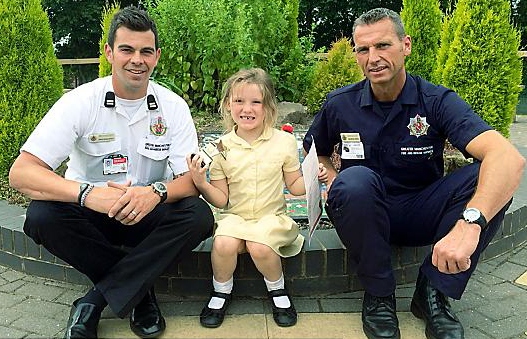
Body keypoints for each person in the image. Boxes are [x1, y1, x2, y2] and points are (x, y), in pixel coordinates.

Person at [303, 7, 525, 339]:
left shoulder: (435, 100)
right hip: (365, 213)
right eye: (363, 49)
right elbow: (314, 150)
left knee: (491, 177)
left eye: (383, 46)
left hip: (422, 210)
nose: (373, 57)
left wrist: (471, 223)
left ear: (405, 45)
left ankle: (433, 293)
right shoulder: (340, 104)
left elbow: (508, 157)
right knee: (355, 181)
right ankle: (379, 295)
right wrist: (331, 177)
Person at [8, 6, 214, 339]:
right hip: (91, 214)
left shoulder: (172, 106)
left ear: (157, 56)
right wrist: (88, 194)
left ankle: (93, 301)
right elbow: (21, 173)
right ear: (109, 53)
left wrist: (155, 193)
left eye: (146, 51)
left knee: (198, 216)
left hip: (146, 213)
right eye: (127, 49)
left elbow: (191, 179)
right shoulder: (80, 101)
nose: (137, 59)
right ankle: (140, 293)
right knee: (41, 216)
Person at [187, 68, 328, 328]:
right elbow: (220, 199)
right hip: (236, 218)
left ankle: (278, 290)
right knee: (224, 244)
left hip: (271, 218)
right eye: (239, 101)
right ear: (228, 105)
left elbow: (294, 186)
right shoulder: (220, 147)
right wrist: (200, 183)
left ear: (268, 107)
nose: (246, 108)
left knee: (260, 245)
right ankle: (221, 290)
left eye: (255, 101)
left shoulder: (283, 142)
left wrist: (312, 179)